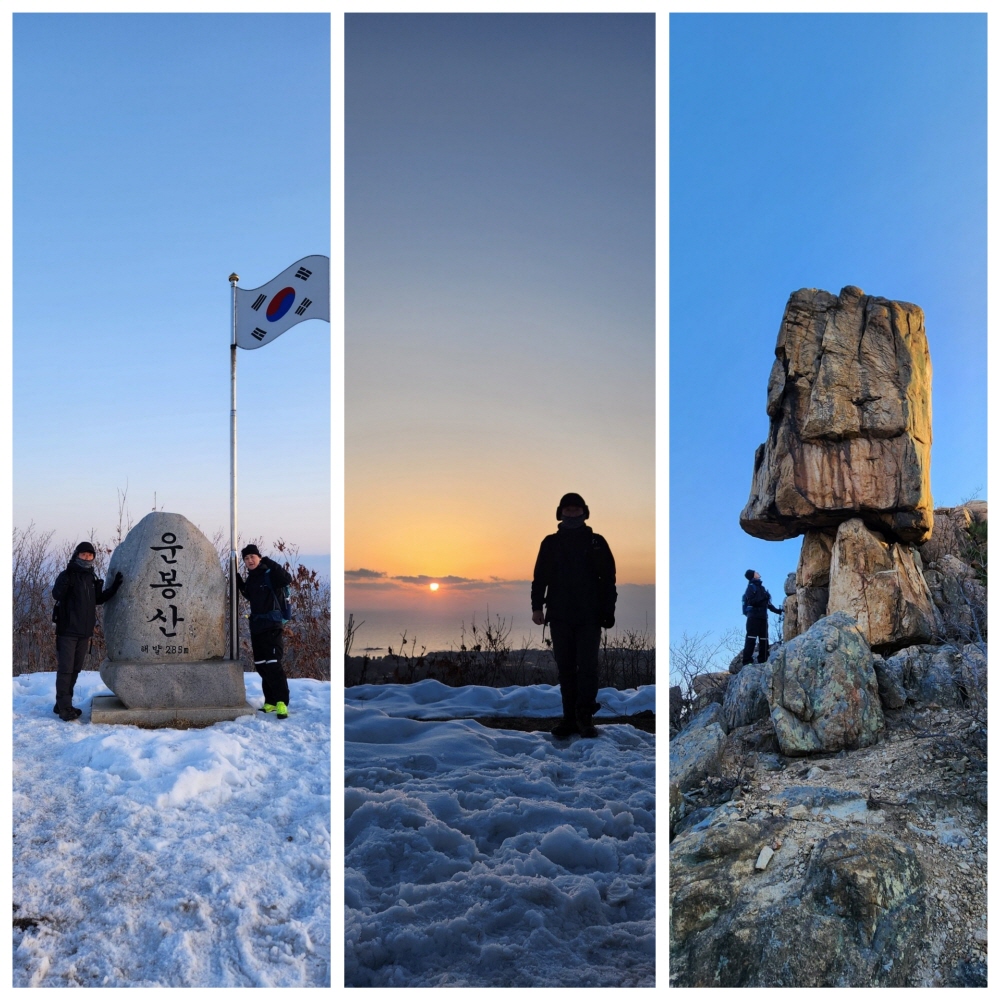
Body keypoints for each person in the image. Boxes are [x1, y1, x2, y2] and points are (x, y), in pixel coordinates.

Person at [531, 493, 617, 739]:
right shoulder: (550, 543)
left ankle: (584, 718)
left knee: (588, 668)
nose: (571, 514)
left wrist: (608, 611)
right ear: (560, 513)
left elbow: (608, 580)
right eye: (567, 510)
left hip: (589, 616)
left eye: (576, 510)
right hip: (559, 615)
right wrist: (537, 607)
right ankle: (569, 719)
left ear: (584, 513)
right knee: (566, 669)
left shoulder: (596, 542)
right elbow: (540, 578)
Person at [51, 542, 123, 721]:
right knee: (66, 669)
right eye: (83, 555)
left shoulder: (91, 577)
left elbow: (98, 599)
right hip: (67, 630)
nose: (87, 558)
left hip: (84, 632)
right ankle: (65, 707)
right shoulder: (68, 574)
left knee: (74, 669)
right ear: (76, 555)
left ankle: (61, 703)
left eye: (90, 555)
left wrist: (114, 587)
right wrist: (66, 578)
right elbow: (56, 594)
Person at [237, 544, 294, 719]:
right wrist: (239, 583)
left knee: (273, 664)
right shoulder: (253, 578)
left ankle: (282, 703)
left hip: (272, 626)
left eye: (252, 557)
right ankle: (270, 701)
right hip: (257, 627)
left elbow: (287, 579)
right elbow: (252, 595)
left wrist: (269, 562)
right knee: (262, 665)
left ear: (259, 557)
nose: (249, 561)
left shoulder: (270, 574)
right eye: (246, 559)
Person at [741, 569, 783, 666]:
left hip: (763, 618)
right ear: (753, 575)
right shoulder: (750, 587)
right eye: (755, 572)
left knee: (764, 639)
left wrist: (778, 611)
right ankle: (747, 661)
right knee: (751, 638)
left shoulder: (762, 588)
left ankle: (763, 660)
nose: (758, 572)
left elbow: (768, 604)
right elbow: (752, 601)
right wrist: (764, 598)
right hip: (753, 617)